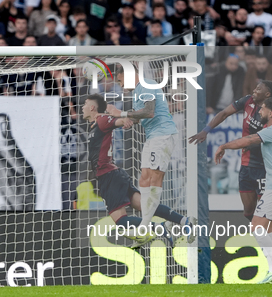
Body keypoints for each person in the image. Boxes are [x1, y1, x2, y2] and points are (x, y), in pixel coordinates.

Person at [83, 94, 195, 247]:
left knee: (121, 222)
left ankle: (159, 228)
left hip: (108, 176)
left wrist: (125, 119)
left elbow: (118, 121)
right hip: (115, 174)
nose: (82, 107)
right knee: (145, 205)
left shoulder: (102, 120)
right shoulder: (94, 125)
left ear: (92, 107)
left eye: (85, 104)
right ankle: (184, 221)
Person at [215, 97, 272, 284]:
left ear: (271, 113)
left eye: (263, 109)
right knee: (267, 229)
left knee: (256, 227)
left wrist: (223, 146)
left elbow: (247, 141)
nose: (259, 112)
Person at [190, 81, 272, 221]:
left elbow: (264, 138)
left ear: (267, 94)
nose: (254, 90)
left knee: (266, 212)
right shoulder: (247, 100)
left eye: (258, 89)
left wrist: (244, 144)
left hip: (265, 167)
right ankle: (266, 236)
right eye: (255, 87)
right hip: (246, 165)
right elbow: (224, 113)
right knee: (248, 211)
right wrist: (206, 130)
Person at [105, 64, 179, 232]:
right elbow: (142, 114)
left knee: (154, 178)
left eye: (120, 80)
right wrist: (131, 119)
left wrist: (121, 113)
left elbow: (149, 112)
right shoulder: (139, 90)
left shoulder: (146, 85)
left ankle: (145, 225)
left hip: (163, 135)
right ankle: (155, 221)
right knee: (144, 179)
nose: (121, 85)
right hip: (153, 136)